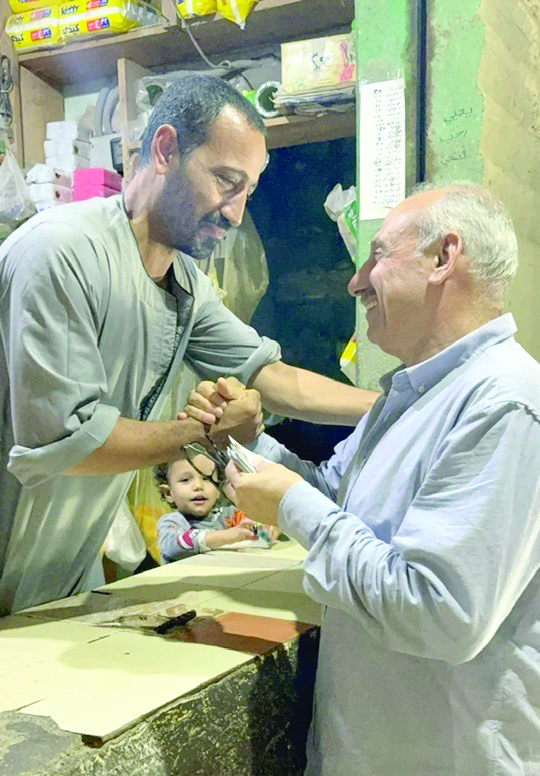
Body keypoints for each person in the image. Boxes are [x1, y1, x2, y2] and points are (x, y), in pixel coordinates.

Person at [221, 183, 540, 776]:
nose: (356, 281)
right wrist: (245, 447)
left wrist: (292, 505)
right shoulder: (416, 393)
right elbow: (337, 500)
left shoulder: (503, 406)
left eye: (376, 256)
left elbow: (439, 611)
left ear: (444, 257)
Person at [0, 75, 377, 615]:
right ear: (165, 150)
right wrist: (204, 433)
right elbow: (70, 441)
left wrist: (392, 405)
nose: (235, 212)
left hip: (59, 569)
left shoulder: (185, 283)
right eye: (225, 181)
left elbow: (269, 375)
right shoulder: (62, 253)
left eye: (248, 191)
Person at [154, 454, 262, 562]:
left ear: (219, 489)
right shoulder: (173, 522)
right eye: (185, 480)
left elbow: (257, 528)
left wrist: (265, 527)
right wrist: (226, 536)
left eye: (206, 478)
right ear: (168, 493)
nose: (198, 486)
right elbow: (171, 547)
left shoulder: (230, 515)